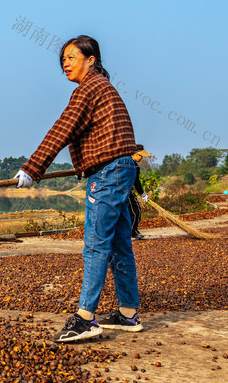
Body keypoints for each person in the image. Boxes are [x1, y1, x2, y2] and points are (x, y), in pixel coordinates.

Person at [13, 35, 144, 342]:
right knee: (119, 244)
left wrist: (32, 168)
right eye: (63, 60)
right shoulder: (103, 88)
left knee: (96, 244)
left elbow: (63, 128)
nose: (65, 64)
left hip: (108, 173)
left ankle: (85, 319)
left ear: (91, 60)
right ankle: (128, 314)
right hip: (120, 169)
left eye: (71, 57)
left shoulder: (90, 88)